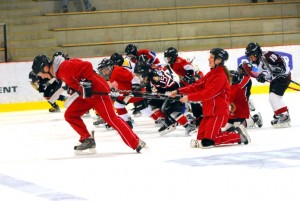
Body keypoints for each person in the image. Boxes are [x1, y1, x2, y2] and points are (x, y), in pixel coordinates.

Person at [31, 54, 147, 154]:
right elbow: (78, 72)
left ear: (45, 68)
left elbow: (87, 65)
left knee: (112, 119)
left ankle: (136, 142)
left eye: (40, 74)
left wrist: (87, 82)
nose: (41, 77)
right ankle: (87, 139)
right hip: (86, 95)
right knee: (70, 115)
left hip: (98, 92)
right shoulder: (60, 71)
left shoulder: (63, 68)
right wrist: (75, 87)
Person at [168, 48, 250, 148]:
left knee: (208, 141)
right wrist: (178, 91)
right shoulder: (211, 73)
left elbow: (208, 94)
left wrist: (189, 97)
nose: (208, 59)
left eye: (211, 57)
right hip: (209, 112)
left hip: (218, 113)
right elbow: (198, 85)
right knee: (200, 140)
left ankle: (238, 136)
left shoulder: (220, 76)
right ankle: (225, 133)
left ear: (218, 60)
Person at [134, 60, 196, 136]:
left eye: (139, 75)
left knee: (170, 109)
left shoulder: (154, 77)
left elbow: (169, 84)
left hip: (174, 93)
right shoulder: (151, 76)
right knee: (152, 102)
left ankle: (188, 126)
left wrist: (173, 92)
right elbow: (151, 89)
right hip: (169, 93)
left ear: (144, 73)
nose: (139, 77)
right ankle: (166, 122)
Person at [244, 42, 291, 128]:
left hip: (283, 77)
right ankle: (281, 114)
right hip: (276, 79)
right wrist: (262, 77)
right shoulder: (258, 61)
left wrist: (280, 69)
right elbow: (266, 72)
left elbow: (281, 62)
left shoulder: (268, 55)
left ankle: (284, 116)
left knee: (274, 98)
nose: (250, 59)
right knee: (273, 98)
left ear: (256, 53)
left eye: (251, 56)